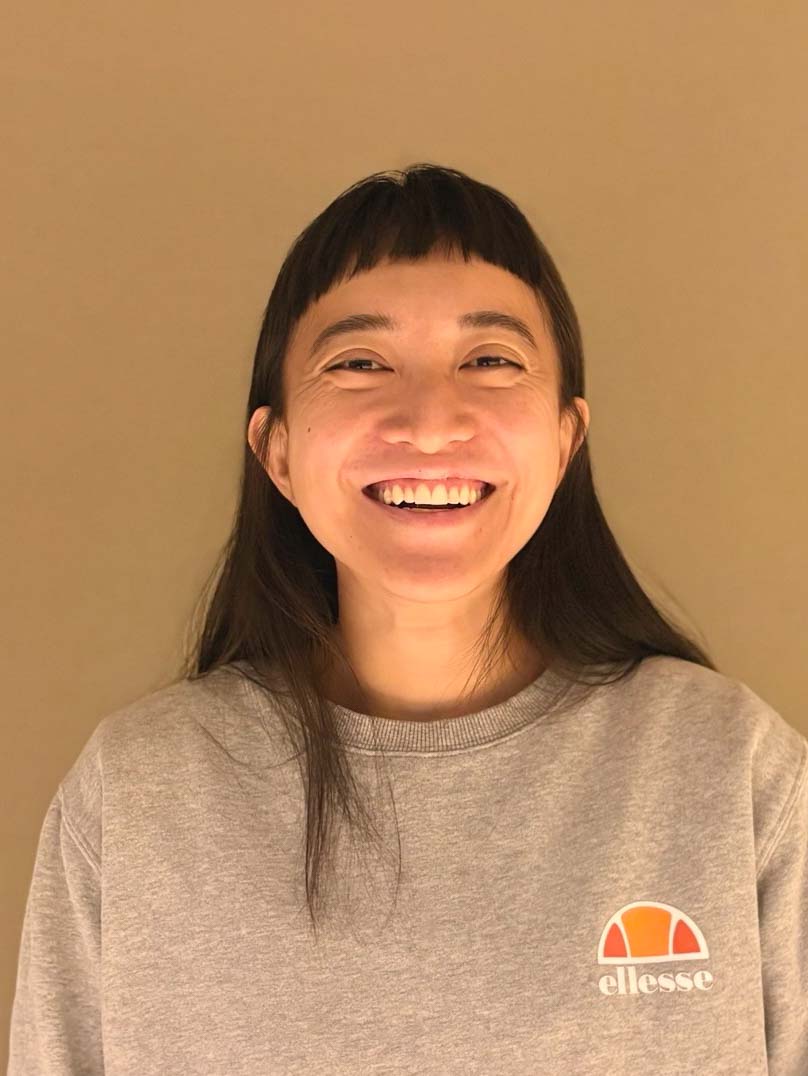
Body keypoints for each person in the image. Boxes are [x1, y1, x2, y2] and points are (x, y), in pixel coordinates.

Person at [9, 164, 807, 1074]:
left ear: (565, 441)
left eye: (490, 360)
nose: (430, 423)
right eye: (359, 363)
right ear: (277, 451)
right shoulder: (137, 793)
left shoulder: (730, 771)